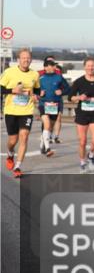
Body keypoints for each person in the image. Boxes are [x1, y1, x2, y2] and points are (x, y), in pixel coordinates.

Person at [1, 48, 40, 178]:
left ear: (31, 60)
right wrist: (13, 90)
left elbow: (37, 90)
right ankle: (10, 153)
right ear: (18, 59)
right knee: (13, 140)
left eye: (28, 58)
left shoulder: (35, 75)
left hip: (26, 110)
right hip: (11, 110)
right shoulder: (9, 72)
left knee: (24, 136)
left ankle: (18, 166)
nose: (26, 60)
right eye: (23, 58)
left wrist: (36, 96)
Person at [69, 57, 94, 172]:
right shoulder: (79, 81)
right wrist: (79, 97)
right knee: (82, 142)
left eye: (92, 65)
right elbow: (70, 97)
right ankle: (82, 163)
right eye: (88, 66)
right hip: (82, 114)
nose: (90, 68)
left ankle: (91, 155)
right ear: (84, 67)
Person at [38, 59, 70, 156]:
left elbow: (68, 88)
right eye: (49, 65)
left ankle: (43, 142)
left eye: (52, 65)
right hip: (43, 104)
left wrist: (62, 92)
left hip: (55, 105)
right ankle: (48, 149)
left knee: (50, 127)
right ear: (45, 67)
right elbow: (33, 89)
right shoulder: (40, 78)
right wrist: (39, 93)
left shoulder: (59, 77)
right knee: (47, 124)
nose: (51, 67)